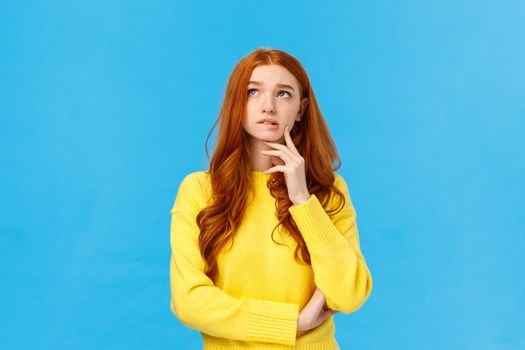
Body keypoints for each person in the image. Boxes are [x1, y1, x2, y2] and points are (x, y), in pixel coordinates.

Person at [169, 47, 373, 349]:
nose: (268, 106)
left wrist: (303, 200)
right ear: (237, 103)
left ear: (301, 109)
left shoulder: (328, 191)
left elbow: (349, 293)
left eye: (283, 94)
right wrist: (292, 323)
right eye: (253, 92)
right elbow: (189, 301)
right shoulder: (200, 190)